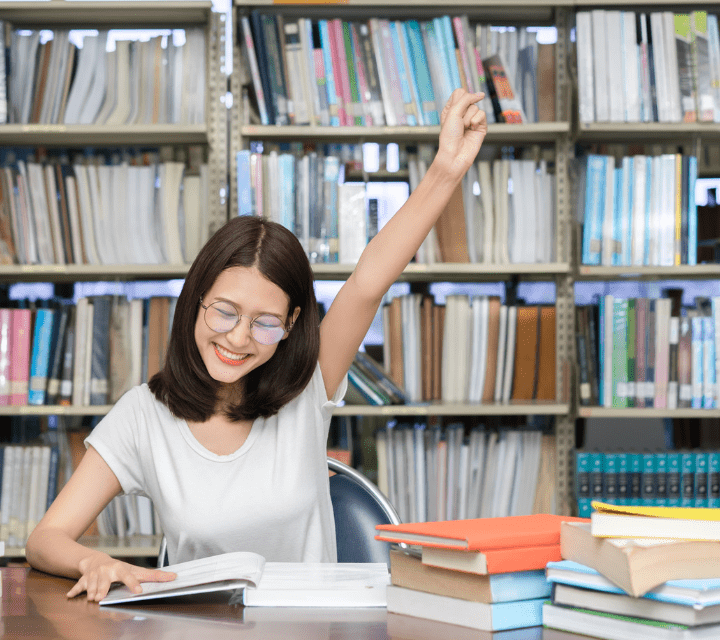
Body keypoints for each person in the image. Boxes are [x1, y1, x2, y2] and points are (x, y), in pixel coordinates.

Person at [25, 88, 488, 602]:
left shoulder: (309, 386)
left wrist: (446, 169)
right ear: (196, 300)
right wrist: (94, 559)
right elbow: (45, 539)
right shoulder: (144, 415)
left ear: (292, 324)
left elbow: (367, 282)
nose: (239, 339)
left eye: (265, 322)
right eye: (224, 312)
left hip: (311, 630)